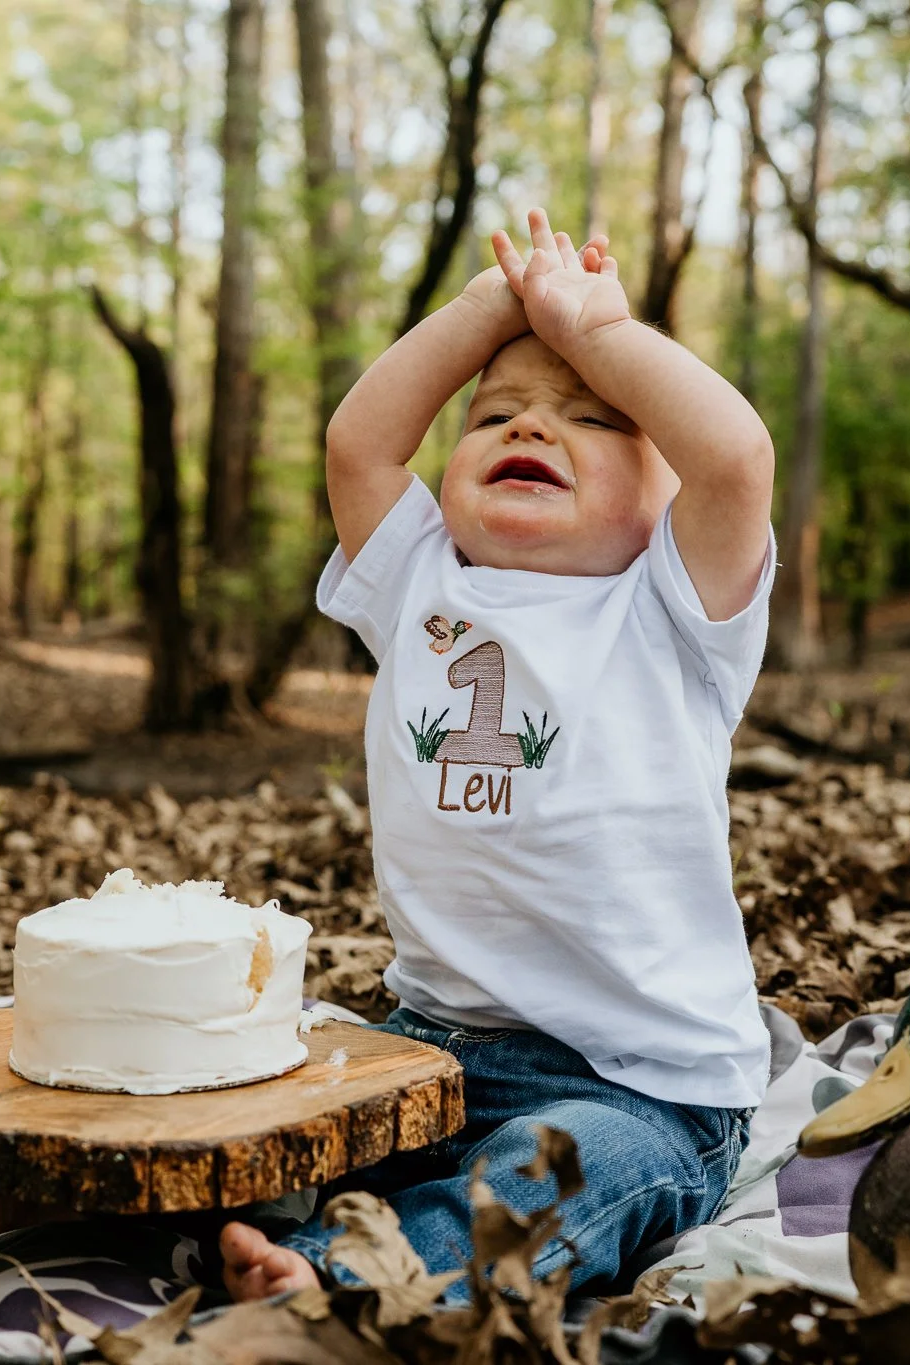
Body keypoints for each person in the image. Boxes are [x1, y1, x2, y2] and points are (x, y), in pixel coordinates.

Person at [220, 208, 777, 1302]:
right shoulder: (420, 581)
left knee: (557, 1173)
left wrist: (597, 328)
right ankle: (49, 1188)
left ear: (665, 507)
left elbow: (735, 455)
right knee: (241, 1083)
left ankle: (346, 1284)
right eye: (496, 411)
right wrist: (489, 308)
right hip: (431, 1049)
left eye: (591, 415)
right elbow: (358, 443)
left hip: (641, 1088)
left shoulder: (672, 609)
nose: (533, 425)